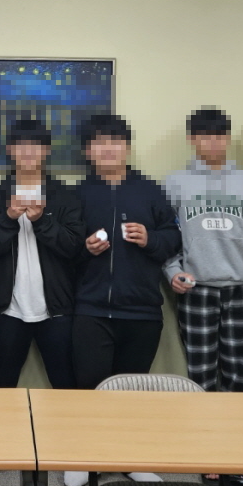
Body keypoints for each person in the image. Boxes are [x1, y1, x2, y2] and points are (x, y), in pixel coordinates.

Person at [164, 107, 243, 395]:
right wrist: (173, 271)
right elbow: (168, 234)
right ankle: (202, 426)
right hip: (196, 288)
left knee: (240, 377)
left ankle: (237, 426)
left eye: (219, 135)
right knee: (199, 376)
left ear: (228, 138)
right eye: (205, 136)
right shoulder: (174, 182)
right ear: (192, 139)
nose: (213, 142)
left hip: (242, 288)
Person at [73, 113, 181, 390]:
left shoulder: (150, 191)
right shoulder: (77, 193)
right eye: (99, 142)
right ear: (87, 151)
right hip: (90, 311)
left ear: (127, 147)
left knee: (131, 396)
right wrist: (85, 248)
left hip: (142, 313)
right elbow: (64, 248)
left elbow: (174, 237)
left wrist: (150, 239)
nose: (108, 148)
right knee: (88, 391)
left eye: (115, 141)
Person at [0, 118, 84, 389]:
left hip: (57, 309)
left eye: (35, 145)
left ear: (46, 150)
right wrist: (8, 218)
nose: (28, 152)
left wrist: (41, 221)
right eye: (20, 145)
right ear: (10, 150)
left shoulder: (64, 195)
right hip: (8, 308)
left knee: (66, 387)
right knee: (0, 387)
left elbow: (73, 247)